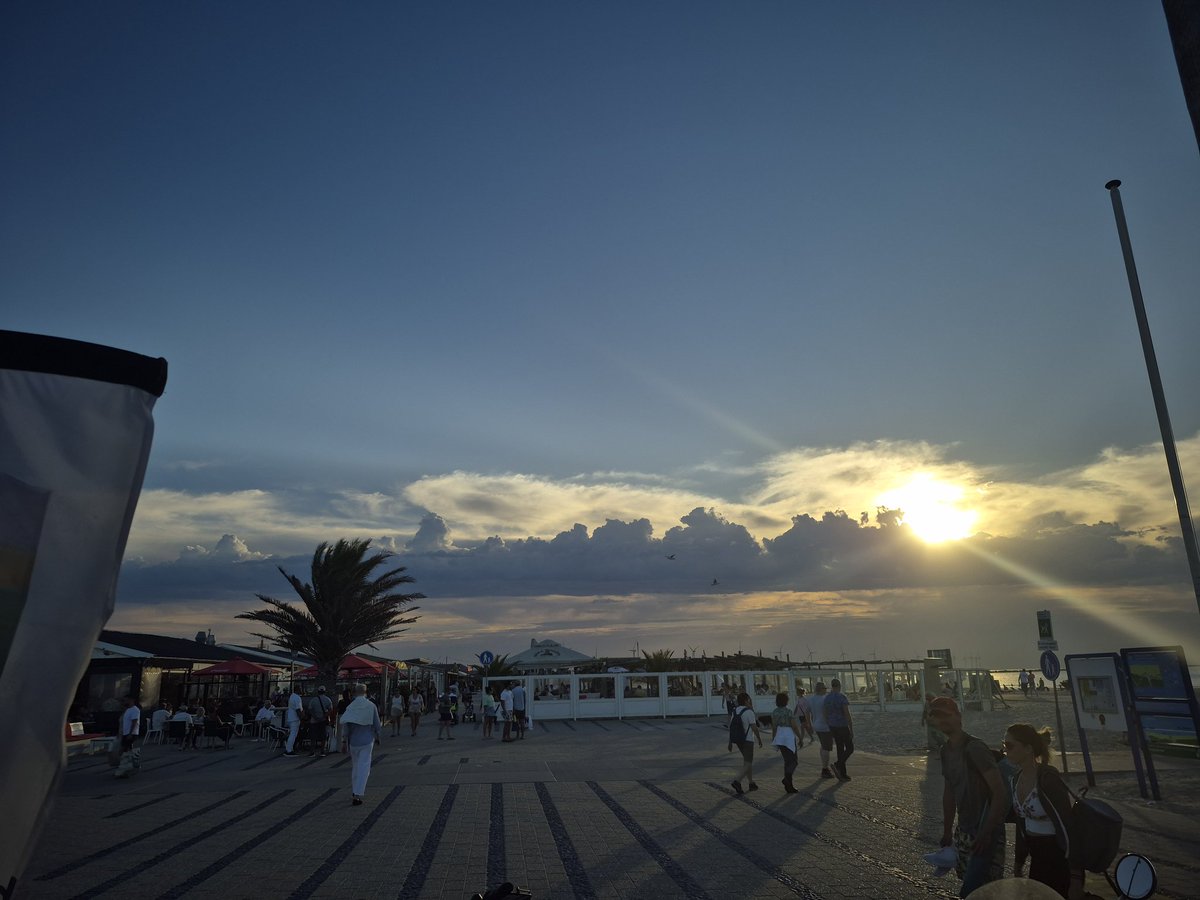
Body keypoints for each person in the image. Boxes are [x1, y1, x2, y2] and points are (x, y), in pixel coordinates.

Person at [928, 697, 1009, 896]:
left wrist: (987, 832)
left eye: (947, 715)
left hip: (986, 830)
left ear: (958, 716)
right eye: (937, 717)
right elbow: (949, 792)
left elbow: (1000, 792)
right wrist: (947, 831)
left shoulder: (975, 748)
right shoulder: (946, 750)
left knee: (977, 889)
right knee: (970, 882)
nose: (943, 721)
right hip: (964, 830)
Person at [1003, 724, 1085, 899]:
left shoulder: (1047, 779)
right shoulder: (1015, 780)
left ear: (1028, 748)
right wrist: (1018, 863)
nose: (1005, 750)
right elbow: (1021, 825)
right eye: (1004, 745)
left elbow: (1068, 826)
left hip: (1060, 860)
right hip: (1037, 860)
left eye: (1010, 745)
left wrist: (1076, 878)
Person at [340, 683, 381, 806]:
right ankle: (357, 794)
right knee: (364, 768)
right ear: (366, 692)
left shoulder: (351, 707)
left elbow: (346, 726)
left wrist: (343, 742)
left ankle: (354, 791)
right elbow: (377, 724)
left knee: (356, 767)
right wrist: (378, 737)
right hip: (367, 740)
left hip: (354, 742)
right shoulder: (371, 705)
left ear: (354, 692)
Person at [727, 691, 762, 795]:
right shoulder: (749, 712)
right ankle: (737, 781)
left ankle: (751, 783)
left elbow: (731, 727)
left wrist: (730, 742)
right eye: (749, 699)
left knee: (747, 762)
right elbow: (754, 728)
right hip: (747, 741)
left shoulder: (735, 711)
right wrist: (759, 739)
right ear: (747, 700)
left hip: (738, 740)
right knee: (748, 763)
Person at [770, 691, 802, 794]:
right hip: (788, 736)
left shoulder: (775, 712)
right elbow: (794, 726)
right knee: (794, 761)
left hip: (779, 735)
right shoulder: (788, 711)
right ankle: (787, 780)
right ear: (786, 701)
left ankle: (789, 785)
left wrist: (774, 738)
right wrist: (800, 737)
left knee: (787, 761)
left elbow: (774, 726)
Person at [824, 678, 854, 781]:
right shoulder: (842, 697)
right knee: (850, 748)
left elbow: (826, 713)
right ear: (839, 686)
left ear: (832, 686)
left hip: (833, 726)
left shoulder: (827, 698)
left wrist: (829, 724)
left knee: (840, 748)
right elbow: (847, 714)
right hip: (842, 725)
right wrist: (851, 728)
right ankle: (838, 764)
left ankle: (842, 773)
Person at [808, 681, 835, 778]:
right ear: (821, 689)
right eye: (825, 688)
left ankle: (824, 766)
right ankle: (825, 769)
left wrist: (810, 724)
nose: (826, 690)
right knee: (827, 748)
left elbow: (807, 713)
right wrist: (831, 724)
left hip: (816, 725)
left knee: (823, 745)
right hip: (825, 726)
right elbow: (826, 713)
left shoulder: (810, 699)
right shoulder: (824, 699)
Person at [307, 686, 333, 757]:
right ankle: (322, 751)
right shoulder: (328, 699)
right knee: (323, 736)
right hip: (323, 720)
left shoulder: (313, 700)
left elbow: (310, 709)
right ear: (324, 692)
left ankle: (312, 752)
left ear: (318, 692)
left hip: (314, 720)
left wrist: (315, 717)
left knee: (313, 736)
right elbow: (330, 710)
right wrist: (324, 716)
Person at [283, 685, 303, 757]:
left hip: (291, 717)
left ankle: (289, 749)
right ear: (297, 689)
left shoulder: (292, 696)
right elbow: (298, 709)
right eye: (300, 688)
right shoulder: (297, 698)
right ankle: (289, 750)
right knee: (293, 735)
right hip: (295, 718)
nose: (301, 690)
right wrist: (301, 718)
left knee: (292, 734)